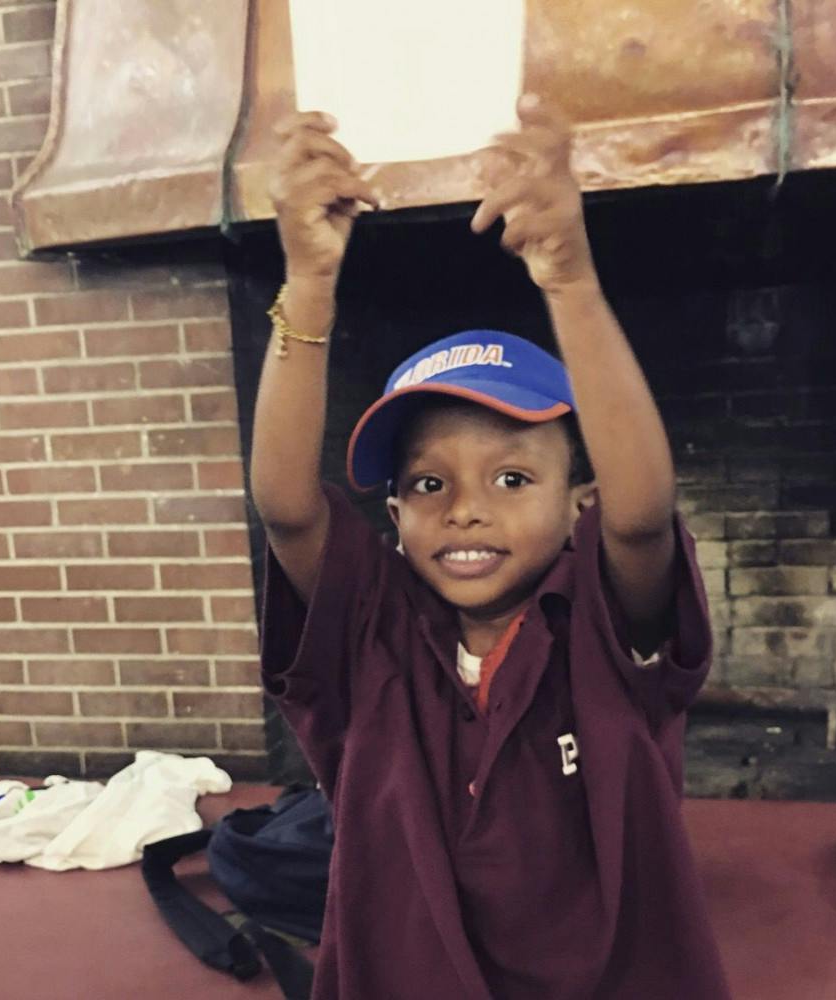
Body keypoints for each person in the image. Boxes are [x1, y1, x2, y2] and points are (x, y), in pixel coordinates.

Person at [251, 95, 731, 999]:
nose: (466, 511)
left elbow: (641, 514)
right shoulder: (373, 628)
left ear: (575, 502)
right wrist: (308, 284)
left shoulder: (604, 616)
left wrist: (572, 283)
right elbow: (285, 507)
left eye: (512, 479)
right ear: (393, 511)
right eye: (429, 485)